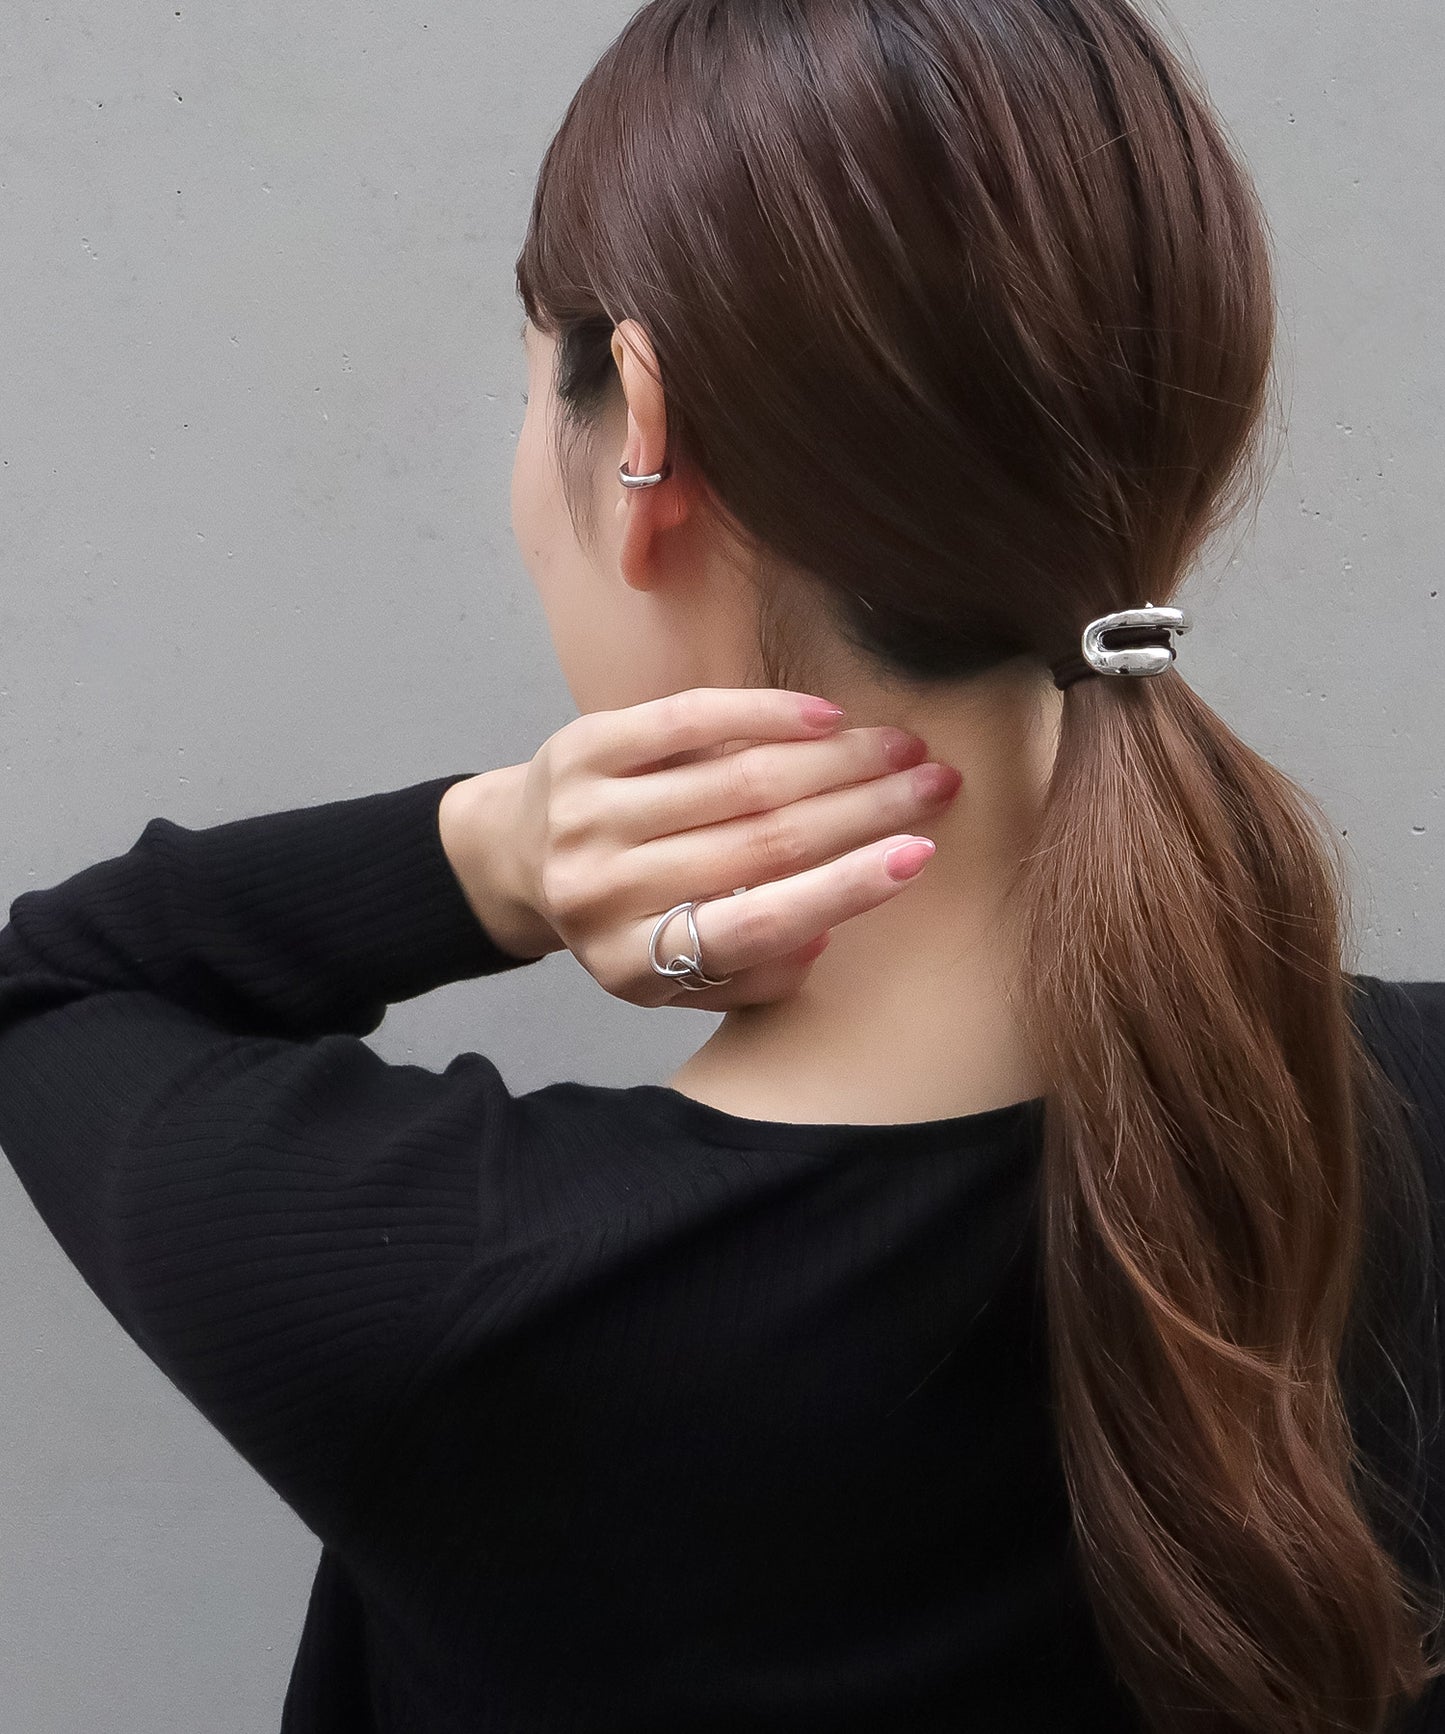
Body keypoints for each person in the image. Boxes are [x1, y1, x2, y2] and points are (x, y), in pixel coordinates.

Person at [1, 1, 1442, 1730]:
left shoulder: (470, 1293)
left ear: (642, 438)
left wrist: (489, 858)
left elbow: (53, 978)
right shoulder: (1413, 1110)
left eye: (532, 386)